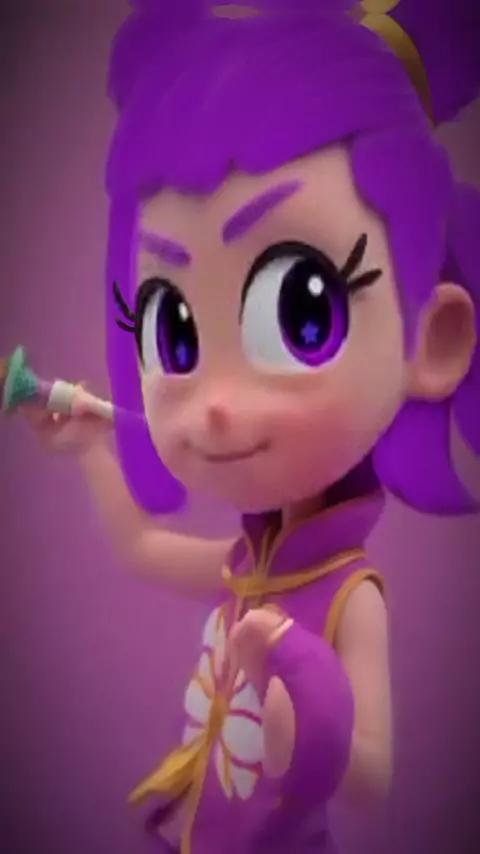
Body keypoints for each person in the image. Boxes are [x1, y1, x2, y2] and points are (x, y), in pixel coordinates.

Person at [25, 1, 480, 852]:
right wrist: (89, 447)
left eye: (301, 309)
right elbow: (142, 550)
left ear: (434, 339)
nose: (214, 405)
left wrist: (306, 734)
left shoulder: (348, 594)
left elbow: (374, 775)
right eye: (172, 327)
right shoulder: (252, 564)